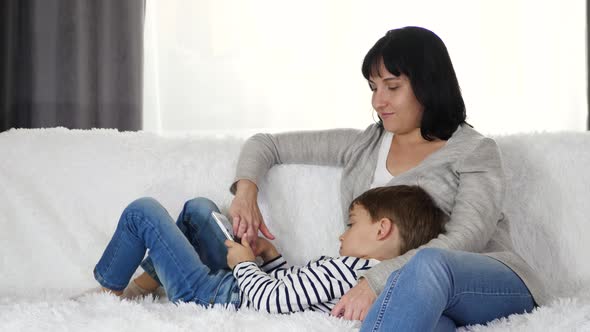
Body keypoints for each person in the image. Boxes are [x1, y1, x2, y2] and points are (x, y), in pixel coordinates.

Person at [227, 26, 547, 331]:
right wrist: (246, 192)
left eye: (392, 87)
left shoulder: (475, 150)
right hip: (414, 297)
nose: (378, 101)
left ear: (428, 85)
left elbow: (466, 239)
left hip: (489, 282)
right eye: (373, 87)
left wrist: (376, 280)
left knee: (431, 264)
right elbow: (266, 144)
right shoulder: (364, 145)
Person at [87, 185, 446, 314]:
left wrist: (245, 265)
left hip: (214, 296)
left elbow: (270, 302)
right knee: (199, 208)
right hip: (237, 283)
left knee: (142, 212)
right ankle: (141, 288)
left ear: (382, 229)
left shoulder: (351, 271)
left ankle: (110, 291)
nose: (341, 236)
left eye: (351, 224)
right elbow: (296, 292)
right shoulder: (355, 273)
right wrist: (270, 257)